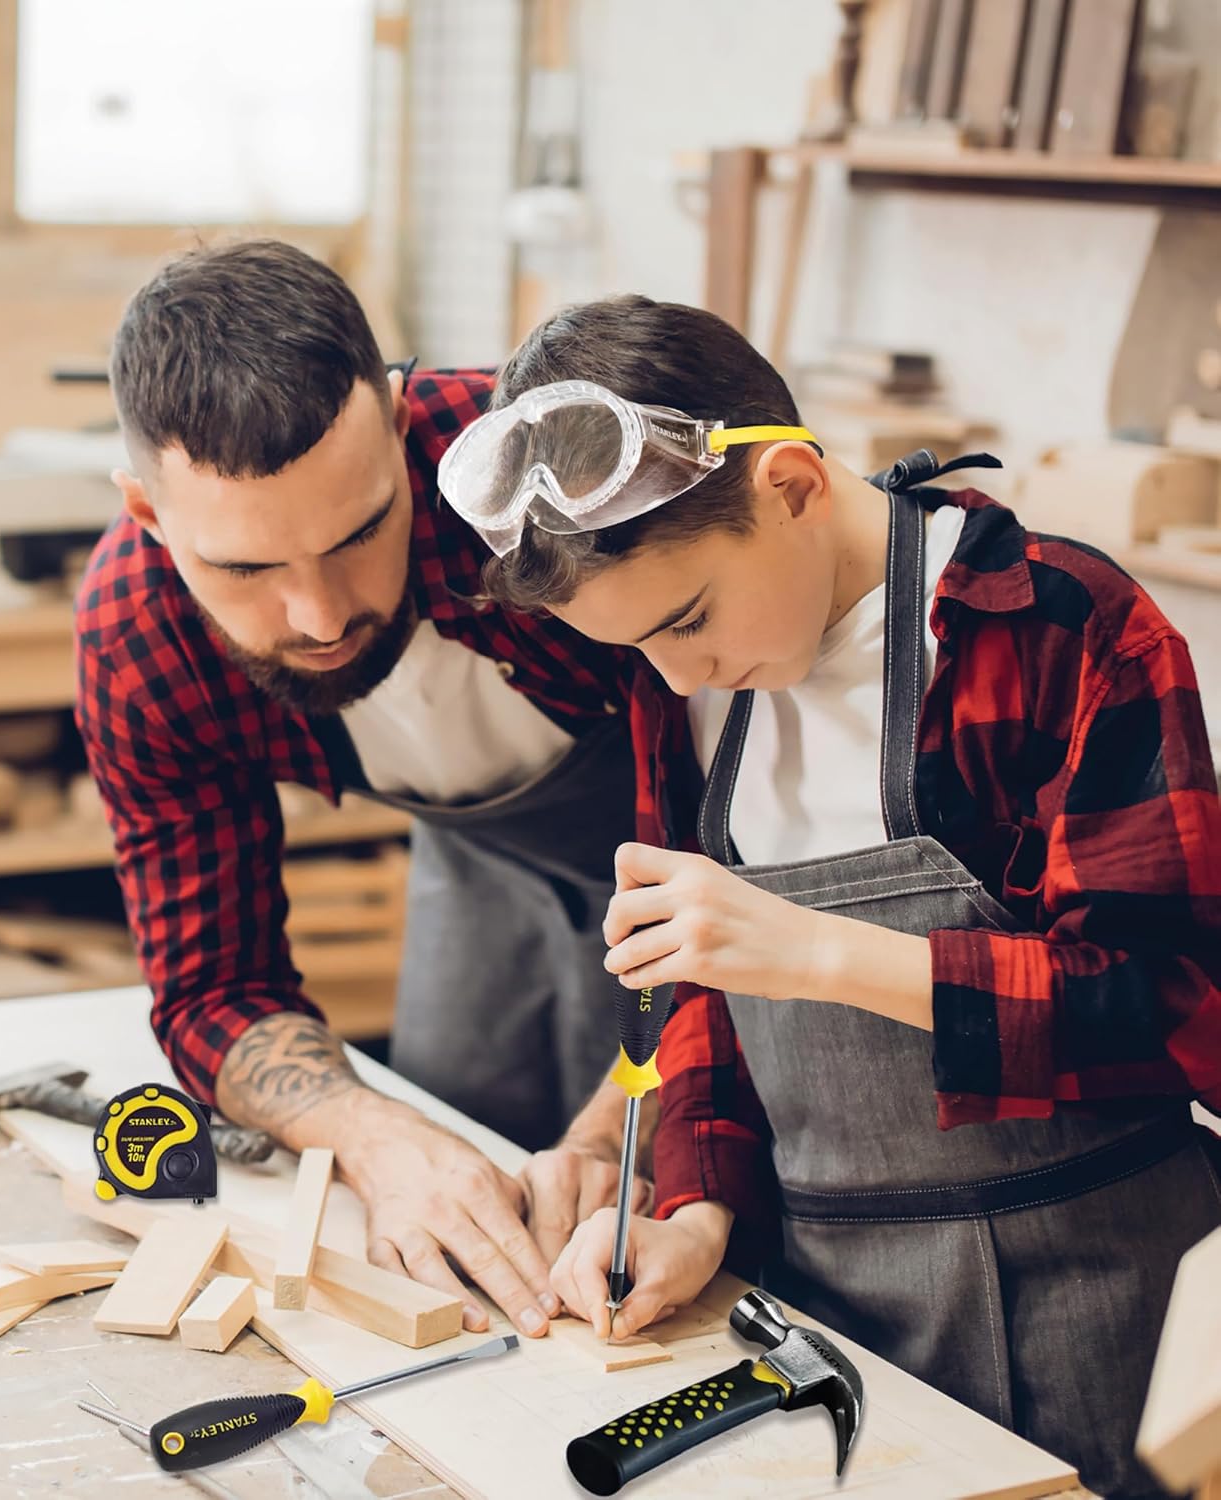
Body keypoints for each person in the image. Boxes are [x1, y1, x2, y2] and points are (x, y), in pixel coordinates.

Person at [438, 292, 1221, 1496]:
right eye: (637, 646)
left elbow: (1174, 1010)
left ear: (793, 485)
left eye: (690, 619)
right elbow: (694, 986)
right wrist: (695, 1212)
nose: (677, 672)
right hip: (822, 1302)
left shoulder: (1066, 627)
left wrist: (814, 951)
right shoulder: (687, 681)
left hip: (1097, 1295)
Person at [74, 240, 655, 1342]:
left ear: (400, 427)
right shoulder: (137, 634)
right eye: (246, 570)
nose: (320, 615)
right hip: (480, 862)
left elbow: (763, 849)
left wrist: (612, 1135)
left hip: (708, 862)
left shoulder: (549, 480)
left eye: (359, 533)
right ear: (149, 518)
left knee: (665, 1201)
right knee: (447, 1135)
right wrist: (373, 1133)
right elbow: (210, 988)